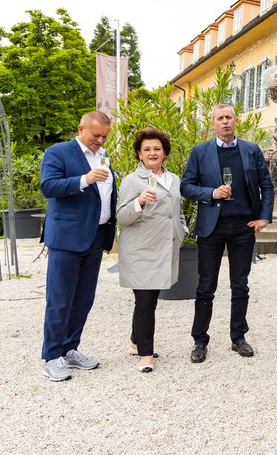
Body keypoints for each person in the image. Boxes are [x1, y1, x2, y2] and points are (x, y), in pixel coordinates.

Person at [181, 104, 274, 363]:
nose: (225, 122)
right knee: (205, 286)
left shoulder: (251, 150)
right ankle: (200, 341)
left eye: (229, 117)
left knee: (240, 285)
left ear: (236, 121)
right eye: (220, 118)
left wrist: (265, 217)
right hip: (212, 227)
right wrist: (211, 193)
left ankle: (238, 337)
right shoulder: (200, 152)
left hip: (243, 227)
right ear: (213, 124)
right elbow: (186, 186)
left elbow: (267, 185)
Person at [39, 111, 117, 381]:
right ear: (80, 128)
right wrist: (85, 180)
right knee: (60, 300)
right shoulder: (58, 152)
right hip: (67, 239)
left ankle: (70, 348)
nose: (100, 140)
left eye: (105, 136)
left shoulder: (103, 156)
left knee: (84, 300)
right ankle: (51, 356)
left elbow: (106, 193)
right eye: (96, 135)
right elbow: (48, 186)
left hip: (95, 237)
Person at [115, 128, 185, 373]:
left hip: (165, 248)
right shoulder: (132, 181)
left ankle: (136, 340)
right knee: (144, 302)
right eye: (147, 149)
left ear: (164, 152)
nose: (152, 153)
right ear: (139, 154)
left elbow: (178, 209)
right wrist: (138, 202)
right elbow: (122, 217)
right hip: (140, 251)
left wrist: (181, 229)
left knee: (150, 300)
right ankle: (146, 355)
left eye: (157, 148)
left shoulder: (173, 178)